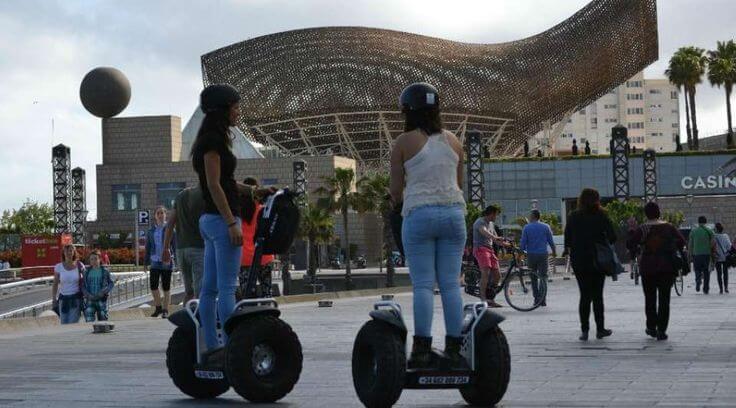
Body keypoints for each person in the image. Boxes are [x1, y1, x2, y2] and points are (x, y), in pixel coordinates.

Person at [389, 82, 467, 368]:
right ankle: (455, 349)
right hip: (454, 215)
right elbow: (458, 184)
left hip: (419, 214)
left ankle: (422, 349)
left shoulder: (404, 141)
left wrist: (395, 201)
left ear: (408, 111)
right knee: (450, 285)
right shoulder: (454, 140)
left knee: (423, 284)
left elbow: (396, 190)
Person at [191, 83, 244, 358]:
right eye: (235, 107)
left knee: (209, 288)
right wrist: (231, 223)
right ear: (223, 110)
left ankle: (213, 346)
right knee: (227, 287)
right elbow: (213, 184)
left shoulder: (213, 139)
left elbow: (226, 181)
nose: (238, 112)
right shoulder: (213, 141)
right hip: (221, 221)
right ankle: (233, 346)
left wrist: (253, 190)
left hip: (211, 221)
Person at [627, 202, 686, 341]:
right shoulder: (669, 227)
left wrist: (631, 230)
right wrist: (669, 247)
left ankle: (651, 327)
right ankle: (662, 330)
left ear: (646, 214)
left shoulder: (643, 228)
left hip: (648, 267)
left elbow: (630, 244)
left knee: (650, 298)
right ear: (659, 212)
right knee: (665, 299)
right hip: (667, 267)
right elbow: (682, 241)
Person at [564, 188, 615, 341]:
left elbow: (567, 239)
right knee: (598, 296)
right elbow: (613, 237)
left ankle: (584, 330)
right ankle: (600, 329)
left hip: (579, 261)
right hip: (598, 261)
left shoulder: (573, 216)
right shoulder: (601, 215)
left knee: (584, 296)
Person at [163, 186, 205, 303]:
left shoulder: (180, 196)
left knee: (189, 292)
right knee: (200, 291)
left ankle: (187, 317)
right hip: (199, 248)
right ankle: (200, 318)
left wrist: (166, 248)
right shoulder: (206, 195)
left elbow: (170, 223)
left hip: (181, 250)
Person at [238, 177, 276, 299]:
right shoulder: (263, 210)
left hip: (244, 258)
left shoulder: (237, 211)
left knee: (247, 296)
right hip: (264, 256)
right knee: (267, 293)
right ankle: (268, 316)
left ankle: (251, 317)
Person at [472, 205, 508, 308]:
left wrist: (506, 244)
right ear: (491, 213)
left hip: (490, 249)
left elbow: (496, 239)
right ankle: (483, 299)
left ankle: (490, 298)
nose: (496, 217)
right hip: (481, 249)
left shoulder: (491, 224)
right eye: (495, 214)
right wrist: (494, 237)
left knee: (497, 276)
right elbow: (484, 232)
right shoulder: (480, 222)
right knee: (486, 273)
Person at [520, 209, 556, 306]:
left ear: (533, 216)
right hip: (543, 255)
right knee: (543, 277)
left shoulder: (526, 228)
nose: (529, 217)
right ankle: (543, 299)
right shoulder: (546, 227)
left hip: (531, 255)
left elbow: (523, 244)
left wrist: (520, 254)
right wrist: (554, 252)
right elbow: (551, 241)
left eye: (530, 215)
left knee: (533, 278)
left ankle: (536, 299)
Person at [144, 206, 174, 318]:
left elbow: (174, 245)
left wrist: (175, 260)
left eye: (162, 213)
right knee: (153, 286)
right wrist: (145, 262)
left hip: (166, 261)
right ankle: (158, 308)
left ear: (165, 215)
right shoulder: (151, 231)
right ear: (155, 216)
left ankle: (165, 310)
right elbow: (148, 247)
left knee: (166, 287)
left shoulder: (170, 228)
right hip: (155, 261)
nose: (160, 215)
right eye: (158, 213)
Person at [51, 244, 84, 324]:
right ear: (63, 253)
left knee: (72, 323)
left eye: (70, 251)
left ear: (73, 252)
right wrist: (54, 299)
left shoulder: (80, 266)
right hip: (63, 299)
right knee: (64, 323)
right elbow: (55, 284)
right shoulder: (58, 267)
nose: (68, 253)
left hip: (75, 299)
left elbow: (85, 281)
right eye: (66, 251)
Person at [82, 250, 115, 322]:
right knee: (89, 319)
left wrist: (104, 292)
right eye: (92, 259)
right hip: (90, 299)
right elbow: (83, 286)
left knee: (103, 319)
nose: (94, 261)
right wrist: (87, 294)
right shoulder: (86, 272)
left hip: (101, 299)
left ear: (99, 259)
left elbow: (111, 283)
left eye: (95, 258)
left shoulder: (105, 271)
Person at [688, 216, 714, 294]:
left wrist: (690, 253)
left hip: (696, 254)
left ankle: (698, 280)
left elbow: (690, 244)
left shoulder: (693, 231)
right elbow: (713, 243)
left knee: (697, 270)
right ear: (705, 222)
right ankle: (706, 289)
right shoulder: (709, 231)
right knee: (706, 272)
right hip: (706, 254)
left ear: (698, 222)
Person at [713, 223, 731, 294]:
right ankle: (726, 288)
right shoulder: (726, 236)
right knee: (725, 272)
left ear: (716, 229)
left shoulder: (714, 236)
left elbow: (712, 246)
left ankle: (721, 289)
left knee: (719, 273)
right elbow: (729, 246)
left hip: (717, 257)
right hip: (725, 256)